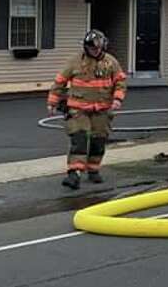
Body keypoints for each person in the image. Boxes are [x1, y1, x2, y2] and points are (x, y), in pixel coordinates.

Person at [47, 30, 127, 189]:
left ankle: (93, 170)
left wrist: (118, 98)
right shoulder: (75, 62)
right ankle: (74, 173)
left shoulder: (111, 62)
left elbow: (120, 82)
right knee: (79, 138)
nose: (94, 51)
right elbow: (60, 81)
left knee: (99, 140)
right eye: (91, 49)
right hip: (78, 109)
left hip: (102, 110)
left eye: (97, 49)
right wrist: (52, 102)